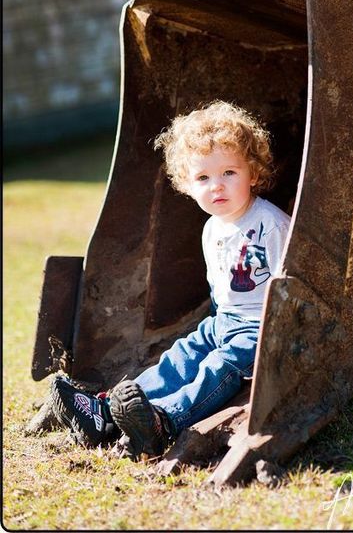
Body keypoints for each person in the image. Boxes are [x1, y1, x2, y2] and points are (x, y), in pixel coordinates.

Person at [51, 100, 290, 459]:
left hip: (262, 327)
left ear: (253, 173)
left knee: (219, 367)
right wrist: (218, 325)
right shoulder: (212, 229)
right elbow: (219, 290)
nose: (217, 187)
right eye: (204, 178)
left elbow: (292, 280)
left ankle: (164, 422)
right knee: (183, 355)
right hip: (224, 321)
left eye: (229, 173)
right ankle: (108, 412)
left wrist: (278, 335)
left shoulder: (270, 225)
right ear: (187, 186)